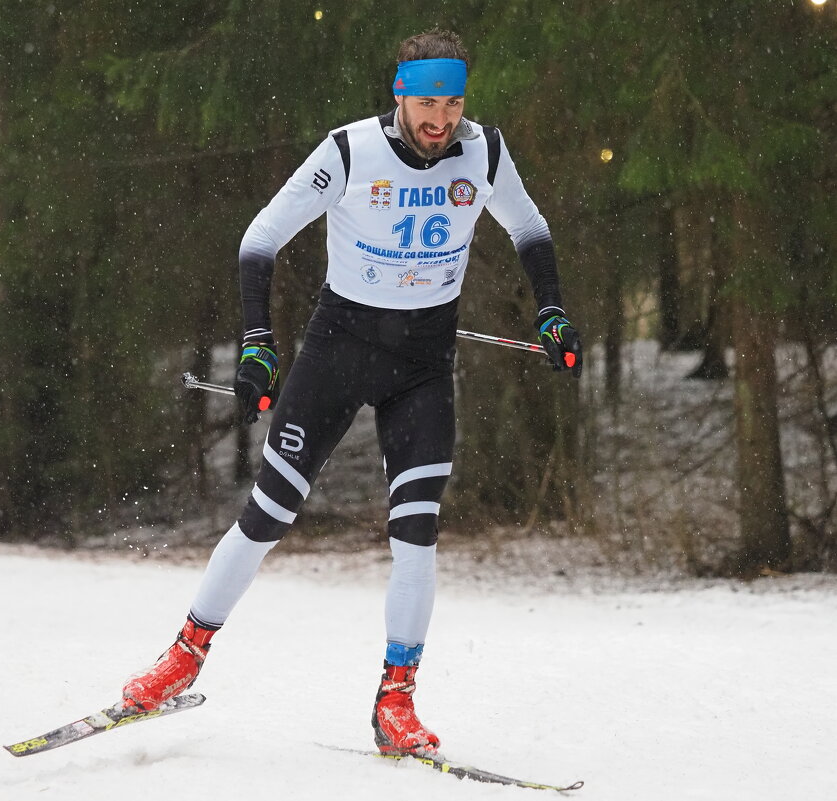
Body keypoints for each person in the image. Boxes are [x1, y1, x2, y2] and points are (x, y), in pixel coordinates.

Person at [122, 29, 582, 755]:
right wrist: (256, 341)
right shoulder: (347, 151)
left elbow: (528, 226)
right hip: (339, 350)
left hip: (423, 365)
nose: (441, 120)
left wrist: (550, 307)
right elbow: (260, 238)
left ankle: (395, 700)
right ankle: (183, 655)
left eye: (453, 103)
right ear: (399, 94)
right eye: (427, 102)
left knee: (418, 534)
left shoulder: (482, 150)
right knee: (266, 516)